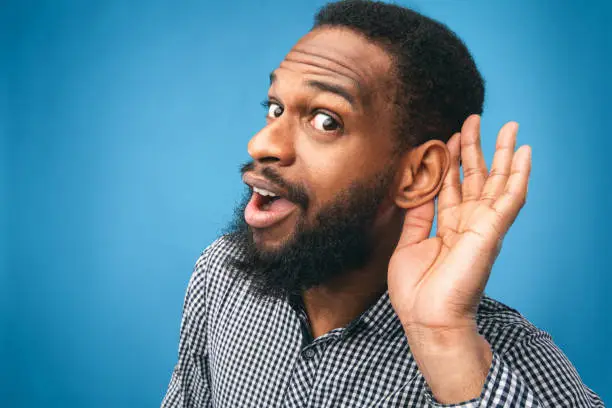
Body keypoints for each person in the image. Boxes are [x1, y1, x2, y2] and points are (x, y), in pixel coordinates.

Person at [161, 1, 603, 406]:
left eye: (325, 120)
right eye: (274, 108)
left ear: (417, 175)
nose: (262, 144)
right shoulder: (221, 276)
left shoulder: (512, 358)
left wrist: (445, 343)